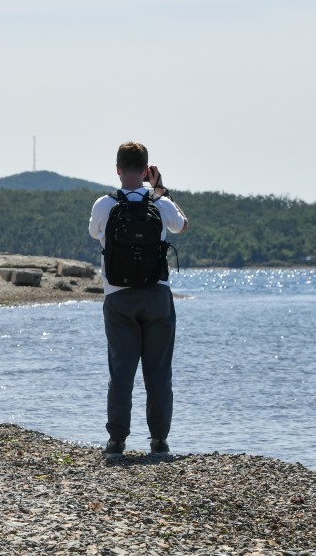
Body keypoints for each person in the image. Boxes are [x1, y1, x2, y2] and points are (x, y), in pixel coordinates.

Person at [88, 142, 189, 460]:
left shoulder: (104, 204)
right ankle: (159, 442)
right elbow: (182, 225)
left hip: (118, 297)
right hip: (157, 295)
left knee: (121, 372)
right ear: (146, 170)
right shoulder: (160, 202)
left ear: (117, 169)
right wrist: (160, 188)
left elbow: (95, 234)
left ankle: (116, 443)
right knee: (158, 372)